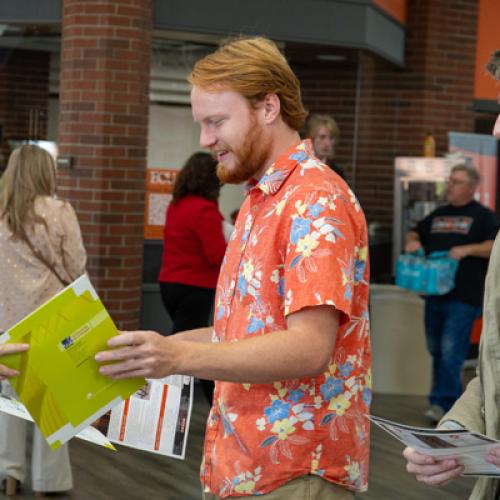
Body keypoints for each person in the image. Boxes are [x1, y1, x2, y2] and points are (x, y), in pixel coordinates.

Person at [96, 37, 371, 500]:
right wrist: (151, 351)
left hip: (295, 471)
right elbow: (237, 331)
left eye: (216, 121)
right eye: (202, 124)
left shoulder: (314, 198)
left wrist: (178, 358)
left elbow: (309, 347)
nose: (205, 140)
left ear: (268, 107)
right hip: (245, 464)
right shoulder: (260, 201)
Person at [403, 50, 500, 499]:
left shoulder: (485, 220)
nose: (497, 127)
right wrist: (457, 431)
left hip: (461, 295)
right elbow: (493, 371)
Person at [0, 144, 87, 496]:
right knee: (52, 404)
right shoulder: (60, 211)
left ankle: (8, 473)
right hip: (54, 320)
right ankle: (49, 483)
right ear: (45, 173)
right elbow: (77, 265)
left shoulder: (1, 214)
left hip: (7, 323)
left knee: (8, 402)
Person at [405, 162, 498, 424]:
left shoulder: (483, 216)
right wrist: (412, 240)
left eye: (457, 182)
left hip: (463, 297)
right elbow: (416, 230)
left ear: (471, 187)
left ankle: (444, 405)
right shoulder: (438, 214)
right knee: (436, 349)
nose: (450, 186)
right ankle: (448, 402)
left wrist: (466, 249)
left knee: (451, 352)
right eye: (450, 181)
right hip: (434, 295)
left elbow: (494, 245)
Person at [158, 151, 227, 403]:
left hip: (169, 284)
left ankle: (180, 402)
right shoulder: (205, 210)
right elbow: (215, 254)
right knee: (193, 350)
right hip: (195, 286)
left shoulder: (176, 205)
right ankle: (211, 402)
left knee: (182, 342)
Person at [306, 114, 345, 179]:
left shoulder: (337, 172)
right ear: (312, 138)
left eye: (331, 138)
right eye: (322, 137)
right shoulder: (302, 167)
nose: (327, 143)